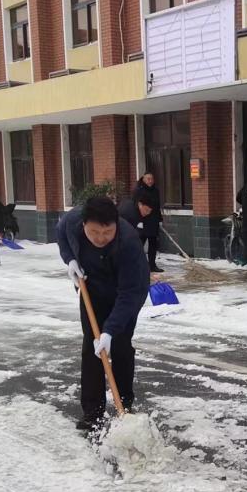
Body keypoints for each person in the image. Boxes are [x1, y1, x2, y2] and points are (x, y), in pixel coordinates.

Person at [56, 196, 150, 437]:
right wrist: (71, 260)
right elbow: (61, 233)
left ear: (115, 224)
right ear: (83, 224)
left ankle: (124, 406)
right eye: (94, 232)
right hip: (92, 292)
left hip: (124, 296)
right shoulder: (73, 221)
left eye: (106, 232)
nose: (100, 238)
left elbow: (131, 293)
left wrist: (110, 330)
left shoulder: (129, 243)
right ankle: (92, 412)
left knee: (118, 346)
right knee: (92, 349)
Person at [132, 172, 163, 273]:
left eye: (151, 179)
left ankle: (152, 266)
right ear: (144, 179)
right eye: (148, 179)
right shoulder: (139, 190)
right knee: (139, 245)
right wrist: (139, 221)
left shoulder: (156, 191)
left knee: (153, 245)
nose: (150, 181)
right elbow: (135, 205)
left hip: (153, 221)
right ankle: (137, 265)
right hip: (143, 222)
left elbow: (157, 206)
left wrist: (160, 219)